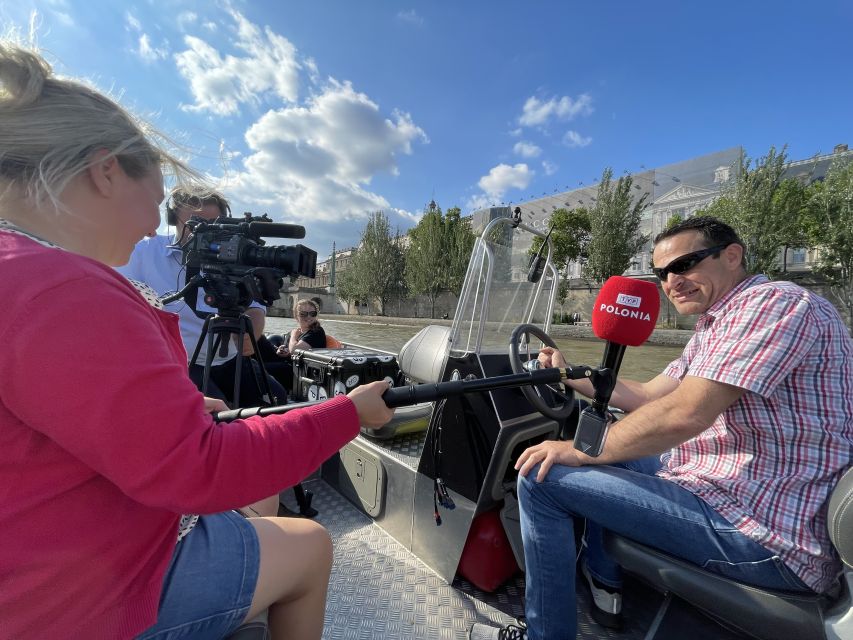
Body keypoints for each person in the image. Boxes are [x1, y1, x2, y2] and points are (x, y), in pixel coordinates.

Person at [0, 41, 394, 640]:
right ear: (106, 171)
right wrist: (347, 413)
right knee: (309, 543)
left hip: (36, 564)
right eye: (157, 206)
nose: (149, 229)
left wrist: (169, 416)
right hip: (75, 605)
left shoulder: (20, 267)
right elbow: (203, 469)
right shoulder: (64, 289)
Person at [470, 216, 853, 640]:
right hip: (733, 489)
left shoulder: (774, 304)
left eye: (686, 263)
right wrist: (567, 376)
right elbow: (651, 395)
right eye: (662, 273)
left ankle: (547, 634)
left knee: (541, 478)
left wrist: (583, 452)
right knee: (620, 444)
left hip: (766, 536)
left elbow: (687, 413)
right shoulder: (718, 321)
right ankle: (606, 589)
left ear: (732, 256)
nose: (673, 281)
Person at [116, 186, 287, 409]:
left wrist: (251, 333)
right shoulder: (143, 252)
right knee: (219, 416)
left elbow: (255, 307)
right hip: (180, 363)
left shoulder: (237, 257)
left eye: (214, 225)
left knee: (277, 399)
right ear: (172, 219)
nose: (206, 232)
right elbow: (118, 307)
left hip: (229, 358)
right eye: (196, 224)